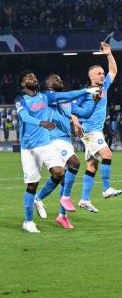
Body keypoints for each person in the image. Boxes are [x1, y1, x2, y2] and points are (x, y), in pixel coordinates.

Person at [15, 71, 99, 233]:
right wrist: (42, 123)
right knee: (32, 184)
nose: (33, 78)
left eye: (34, 76)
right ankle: (28, 221)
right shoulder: (21, 100)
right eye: (28, 77)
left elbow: (69, 96)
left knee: (60, 173)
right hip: (30, 147)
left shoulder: (46, 96)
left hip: (45, 143)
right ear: (23, 84)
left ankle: (47, 201)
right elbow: (24, 117)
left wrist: (87, 91)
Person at [72, 42, 122, 213]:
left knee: (92, 165)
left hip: (95, 131)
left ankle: (85, 199)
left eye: (102, 73)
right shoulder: (86, 91)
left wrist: (108, 54)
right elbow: (71, 108)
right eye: (99, 74)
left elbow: (113, 71)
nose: (102, 75)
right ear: (91, 77)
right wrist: (76, 122)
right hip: (90, 130)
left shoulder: (104, 87)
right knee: (107, 154)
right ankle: (107, 189)